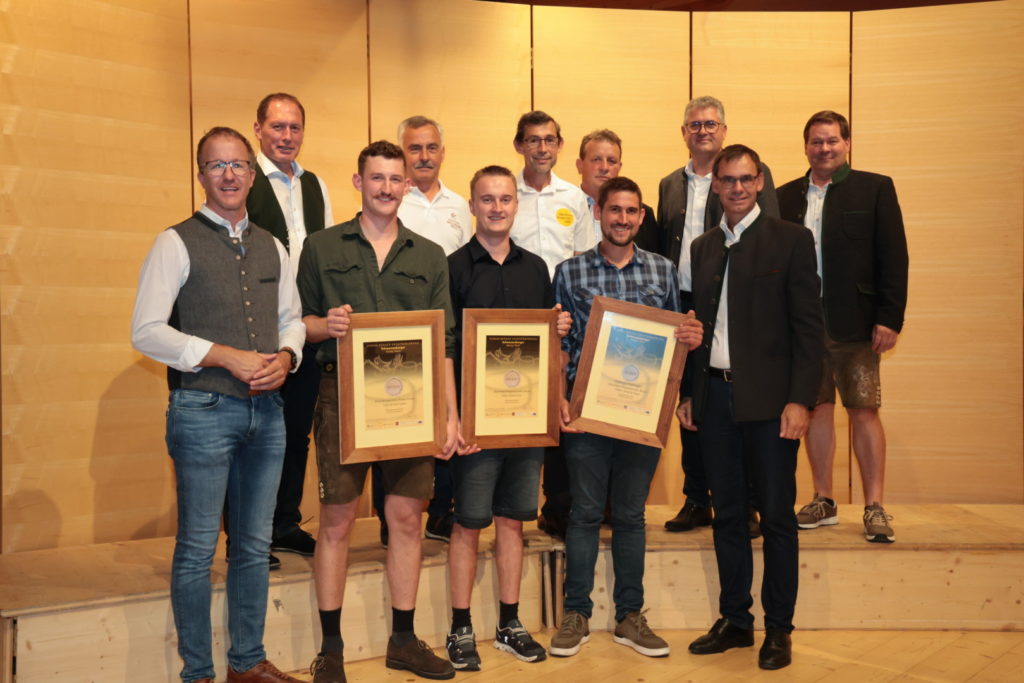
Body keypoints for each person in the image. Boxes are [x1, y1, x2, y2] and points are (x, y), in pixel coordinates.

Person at [131, 126, 304, 683]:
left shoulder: (273, 246)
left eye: (238, 165)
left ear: (252, 175)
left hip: (267, 415)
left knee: (253, 545)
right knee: (198, 548)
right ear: (201, 174)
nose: (229, 175)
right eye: (216, 165)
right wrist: (223, 355)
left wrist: (287, 356)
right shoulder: (174, 242)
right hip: (201, 410)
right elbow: (146, 331)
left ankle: (246, 663)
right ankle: (198, 673)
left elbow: (292, 320)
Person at [298, 141, 460, 682]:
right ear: (358, 182)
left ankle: (403, 641)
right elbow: (297, 324)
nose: (386, 188)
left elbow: (445, 344)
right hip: (341, 398)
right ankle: (331, 650)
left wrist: (450, 416)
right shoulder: (321, 247)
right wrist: (325, 325)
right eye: (377, 178)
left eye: (395, 179)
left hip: (412, 402)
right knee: (338, 521)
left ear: (407, 185)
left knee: (407, 519)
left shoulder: (429, 256)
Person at [680, 144, 822, 671]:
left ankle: (779, 628)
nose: (737, 188)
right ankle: (736, 620)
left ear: (760, 181)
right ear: (715, 185)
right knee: (728, 516)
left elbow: (810, 331)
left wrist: (800, 400)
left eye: (746, 179)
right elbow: (699, 327)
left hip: (771, 405)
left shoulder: (792, 240)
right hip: (715, 399)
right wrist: (690, 393)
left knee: (778, 518)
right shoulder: (703, 247)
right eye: (728, 180)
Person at [548, 176, 703, 659]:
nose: (622, 219)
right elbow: (558, 344)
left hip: (641, 416)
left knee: (632, 516)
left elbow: (677, 340)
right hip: (587, 415)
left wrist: (691, 337)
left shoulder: (662, 270)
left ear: (641, 216)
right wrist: (560, 398)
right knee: (584, 513)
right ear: (598, 212)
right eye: (614, 210)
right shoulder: (569, 271)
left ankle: (629, 616)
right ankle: (576, 614)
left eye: (631, 211)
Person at [444, 165, 571, 671]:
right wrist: (455, 419)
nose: (496, 208)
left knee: (513, 522)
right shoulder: (453, 268)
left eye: (504, 199)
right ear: (472, 205)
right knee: (468, 524)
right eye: (487, 199)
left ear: (516, 205)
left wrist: (558, 328)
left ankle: (509, 623)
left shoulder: (536, 268)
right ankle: (459, 627)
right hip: (474, 427)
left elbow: (545, 343)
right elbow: (446, 349)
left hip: (523, 421)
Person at [777, 111, 908, 543]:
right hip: (802, 325)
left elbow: (894, 256)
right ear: (805, 147)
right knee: (815, 409)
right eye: (816, 141)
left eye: (832, 140)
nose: (824, 148)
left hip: (856, 323)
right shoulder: (784, 196)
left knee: (863, 410)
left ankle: (875, 506)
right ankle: (824, 499)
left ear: (847, 144)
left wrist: (890, 316)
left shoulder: (875, 188)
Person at [657, 96, 779, 536]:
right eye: (695, 124)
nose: (703, 131)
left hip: (730, 301)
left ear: (724, 131)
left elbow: (770, 241)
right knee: (691, 398)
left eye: (711, 124)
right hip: (683, 302)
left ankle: (746, 503)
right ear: (684, 133)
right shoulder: (669, 184)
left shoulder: (747, 177)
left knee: (736, 401)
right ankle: (697, 497)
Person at [245, 93, 333, 564]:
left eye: (294, 127)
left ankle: (283, 524)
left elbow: (327, 252)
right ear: (258, 129)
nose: (286, 136)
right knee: (255, 436)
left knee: (297, 433)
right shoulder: (244, 179)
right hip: (259, 330)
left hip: (307, 329)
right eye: (277, 126)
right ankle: (249, 536)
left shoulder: (315, 185)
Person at [509, 110, 594, 539]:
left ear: (560, 145)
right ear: (519, 145)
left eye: (549, 140)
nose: (542, 148)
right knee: (519, 407)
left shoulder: (575, 198)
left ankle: (559, 506)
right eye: (533, 140)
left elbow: (583, 260)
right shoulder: (506, 194)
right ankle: (514, 508)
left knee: (564, 412)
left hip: (566, 320)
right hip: (517, 318)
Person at [390, 115, 473, 545]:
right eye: (414, 148)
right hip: (401, 329)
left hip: (447, 327)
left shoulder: (460, 206)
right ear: (403, 153)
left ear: (443, 152)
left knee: (448, 416)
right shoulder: (391, 199)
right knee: (399, 421)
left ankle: (441, 512)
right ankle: (392, 518)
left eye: (431, 147)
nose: (424, 156)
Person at [575, 128, 658, 252]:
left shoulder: (641, 215)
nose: (604, 167)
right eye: (596, 159)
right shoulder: (563, 206)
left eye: (611, 161)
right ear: (579, 165)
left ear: (619, 167)